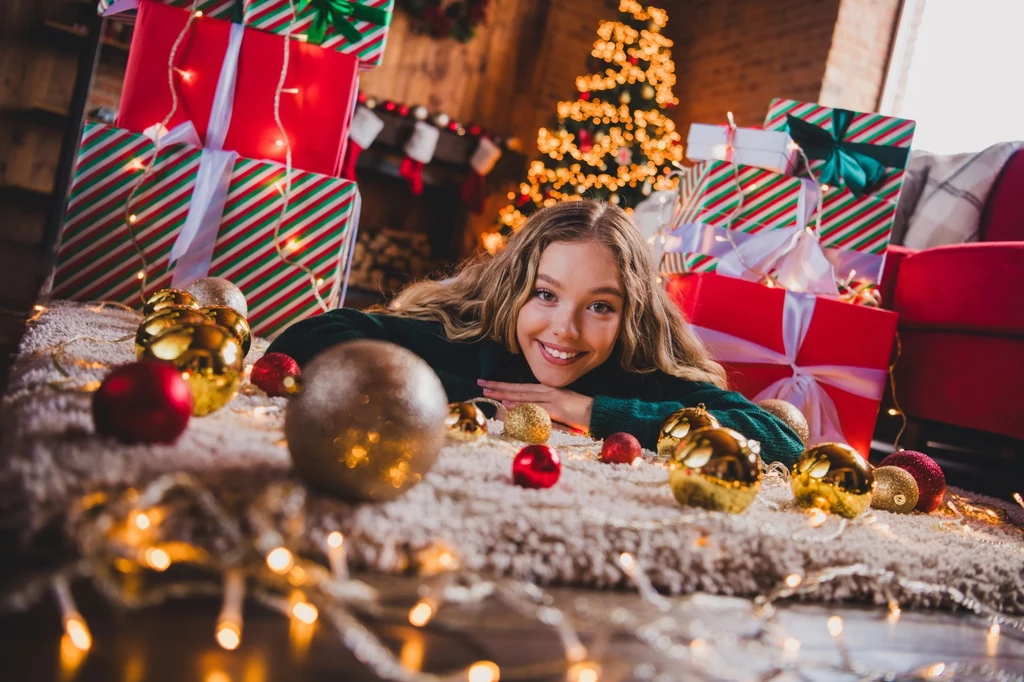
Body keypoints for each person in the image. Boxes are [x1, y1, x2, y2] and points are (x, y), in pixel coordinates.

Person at [267, 201, 804, 463]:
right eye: (545, 295)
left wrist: (587, 410)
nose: (564, 330)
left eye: (599, 306)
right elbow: (308, 339)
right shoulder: (466, 340)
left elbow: (778, 440)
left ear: (631, 317)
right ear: (514, 291)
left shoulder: (637, 376)